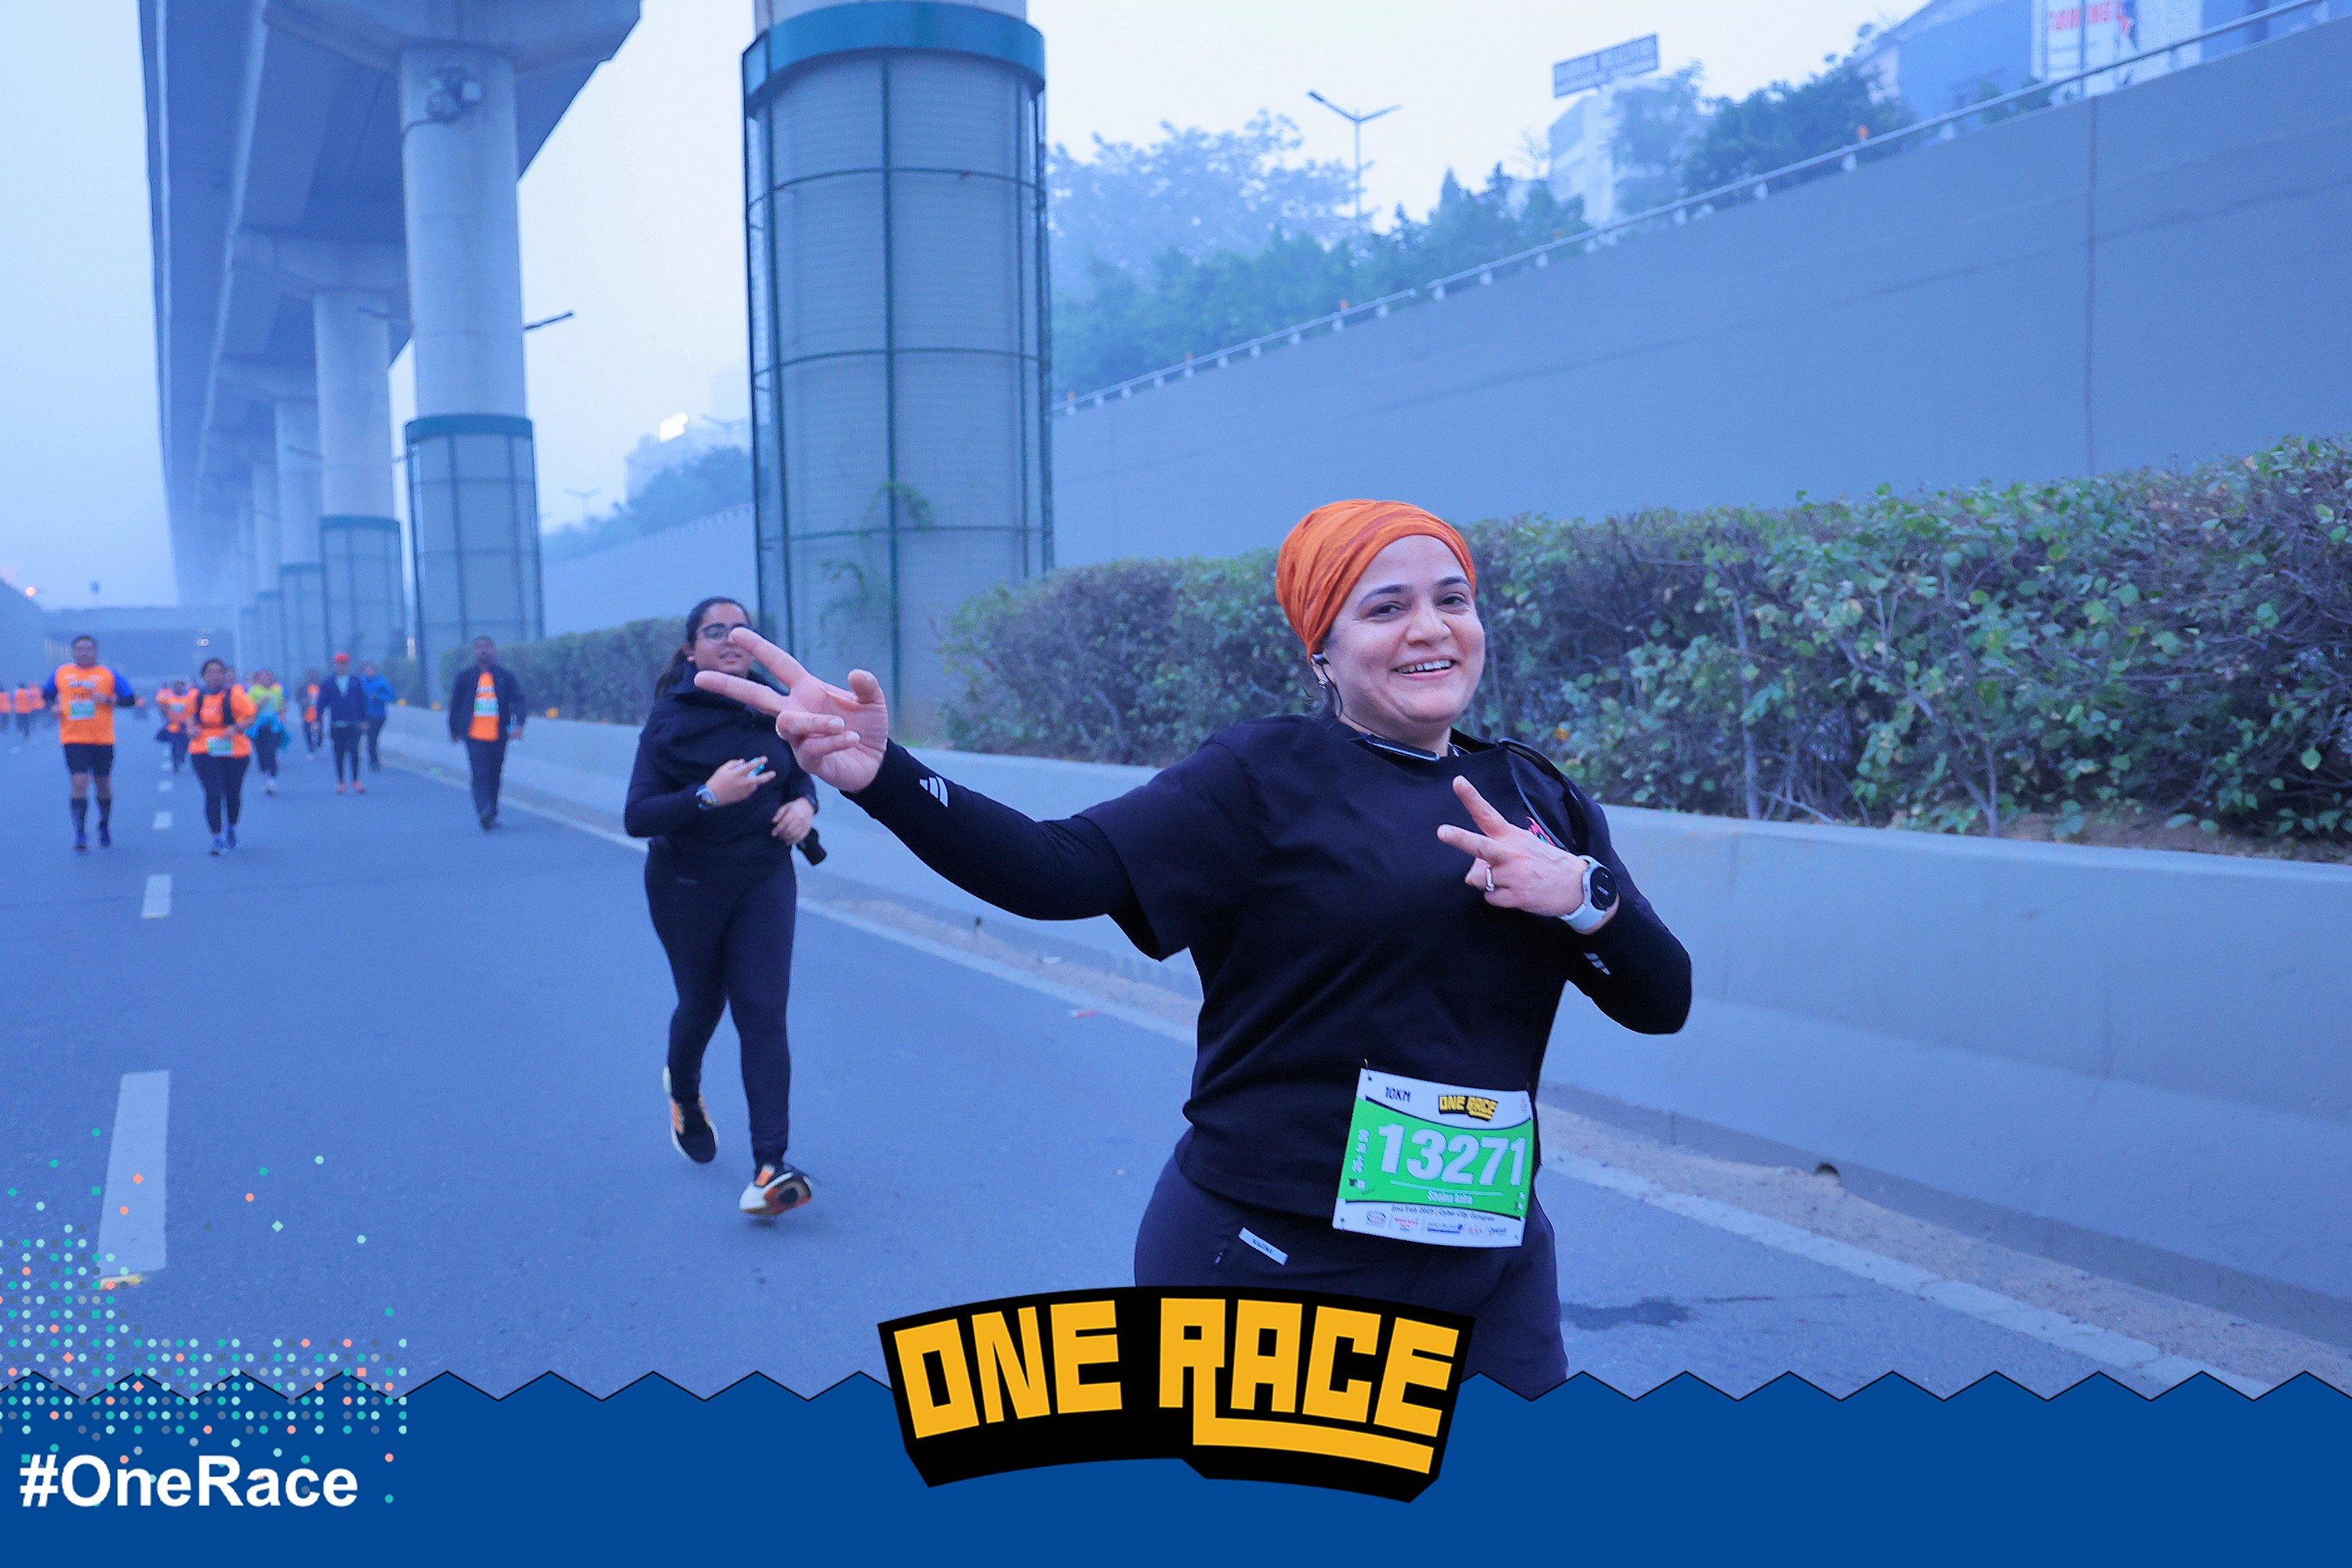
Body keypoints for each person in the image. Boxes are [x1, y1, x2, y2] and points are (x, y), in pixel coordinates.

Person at [698, 500, 1693, 1396]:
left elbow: (1663, 998)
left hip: (1490, 1257)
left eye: (1453, 599)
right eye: (1386, 607)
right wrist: (886, 774)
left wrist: (1584, 898)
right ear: (1323, 647)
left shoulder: (1536, 795)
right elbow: (1056, 870)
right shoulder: (1263, 776)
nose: (1430, 628)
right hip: (1281, 1262)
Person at [624, 597, 822, 1217]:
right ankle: (683, 1090)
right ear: (691, 650)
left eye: (742, 630)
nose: (732, 639)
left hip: (765, 875)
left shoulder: (774, 706)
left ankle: (770, 1166)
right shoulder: (669, 721)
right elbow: (638, 815)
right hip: (687, 882)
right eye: (716, 631)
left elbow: (800, 773)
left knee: (762, 1012)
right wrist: (708, 796)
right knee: (703, 1004)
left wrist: (806, 807)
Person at [45, 635, 138, 852]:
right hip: (73, 738)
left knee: (103, 785)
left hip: (102, 739)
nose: (84, 653)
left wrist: (108, 699)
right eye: (79, 649)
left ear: (95, 652)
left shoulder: (108, 674)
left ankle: (104, 824)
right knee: (79, 783)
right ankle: (80, 831)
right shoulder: (61, 673)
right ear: (73, 652)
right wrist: (54, 706)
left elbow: (131, 699)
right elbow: (46, 694)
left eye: (88, 649)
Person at [445, 636, 525, 829]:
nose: (484, 651)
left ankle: (492, 812)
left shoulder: (504, 677)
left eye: (488, 647)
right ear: (475, 651)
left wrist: (519, 724)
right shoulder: (466, 677)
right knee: (479, 773)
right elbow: (455, 704)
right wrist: (453, 729)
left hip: (499, 734)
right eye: (480, 647)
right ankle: (484, 810)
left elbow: (519, 700)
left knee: (495, 773)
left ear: (494, 650)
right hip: (474, 735)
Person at [186, 659, 257, 855]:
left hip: (234, 748)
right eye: (210, 672)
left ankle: (231, 826)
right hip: (203, 748)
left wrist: (235, 728)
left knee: (232, 792)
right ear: (204, 675)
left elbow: (251, 716)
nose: (214, 676)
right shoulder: (196, 696)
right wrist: (191, 729)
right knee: (213, 792)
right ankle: (217, 837)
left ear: (225, 675)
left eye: (219, 672)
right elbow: (189, 717)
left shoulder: (235, 694)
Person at [316, 652, 370, 794]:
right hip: (336, 724)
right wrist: (318, 720)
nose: (341, 667)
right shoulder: (328, 683)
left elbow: (362, 702)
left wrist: (364, 720)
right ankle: (341, 782)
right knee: (339, 753)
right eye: (338, 664)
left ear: (348, 665)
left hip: (353, 723)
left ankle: (356, 781)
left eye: (344, 664)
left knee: (354, 750)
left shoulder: (355, 681)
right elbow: (321, 703)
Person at [246, 669, 286, 794]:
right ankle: (265, 774)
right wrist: (260, 704)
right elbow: (248, 708)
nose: (266, 679)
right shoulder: (254, 691)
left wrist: (282, 715)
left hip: (273, 726)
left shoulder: (277, 690)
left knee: (271, 752)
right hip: (258, 726)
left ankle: (272, 780)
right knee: (261, 753)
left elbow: (281, 705)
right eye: (263, 677)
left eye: (269, 677)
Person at [358, 660, 397, 772]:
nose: (369, 672)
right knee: (369, 738)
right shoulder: (360, 682)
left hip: (378, 716)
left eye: (371, 670)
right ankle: (372, 761)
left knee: (372, 738)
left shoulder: (381, 682)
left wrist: (378, 697)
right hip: (365, 715)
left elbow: (392, 697)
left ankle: (374, 762)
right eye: (367, 670)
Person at [153, 677, 197, 773]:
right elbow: (163, 708)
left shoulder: (188, 698)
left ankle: (182, 756)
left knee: (186, 744)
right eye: (176, 686)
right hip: (173, 725)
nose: (178, 687)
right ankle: (175, 763)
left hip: (185, 725)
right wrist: (166, 717)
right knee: (174, 744)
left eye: (180, 686)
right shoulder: (168, 698)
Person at [13, 678, 44, 744]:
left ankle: (20, 729)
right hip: (27, 709)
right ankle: (27, 733)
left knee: (20, 720)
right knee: (27, 721)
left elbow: (12, 699)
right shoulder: (29, 692)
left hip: (18, 710)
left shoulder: (16, 693)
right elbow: (32, 699)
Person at [299, 669, 322, 756]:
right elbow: (298, 697)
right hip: (307, 713)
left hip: (318, 712)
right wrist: (304, 702)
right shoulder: (303, 687)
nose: (311, 676)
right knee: (307, 731)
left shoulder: (321, 686)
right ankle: (311, 748)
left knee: (320, 732)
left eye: (313, 674)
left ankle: (318, 744)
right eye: (310, 675)